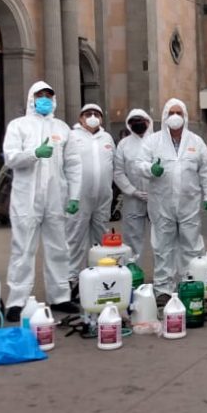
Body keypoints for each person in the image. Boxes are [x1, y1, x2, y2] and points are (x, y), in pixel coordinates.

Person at [2, 81, 82, 320]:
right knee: (23, 249)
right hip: (26, 198)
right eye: (40, 95)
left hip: (56, 197)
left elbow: (74, 164)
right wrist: (34, 154)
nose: (45, 99)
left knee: (59, 247)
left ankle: (60, 296)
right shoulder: (19, 126)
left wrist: (74, 196)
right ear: (32, 98)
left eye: (49, 95)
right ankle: (17, 301)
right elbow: (11, 158)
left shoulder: (63, 128)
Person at [138, 97, 207, 301]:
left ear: (185, 117)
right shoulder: (153, 141)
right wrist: (150, 169)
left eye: (178, 113)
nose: (175, 117)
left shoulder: (196, 142)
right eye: (171, 113)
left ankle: (190, 284)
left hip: (189, 203)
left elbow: (206, 171)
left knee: (192, 246)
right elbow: (139, 164)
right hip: (161, 203)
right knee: (163, 248)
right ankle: (163, 289)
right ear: (164, 117)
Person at [65, 103, 115, 287]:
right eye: (88, 114)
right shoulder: (72, 136)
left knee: (101, 238)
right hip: (79, 198)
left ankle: (99, 275)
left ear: (101, 119)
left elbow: (113, 165)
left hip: (102, 197)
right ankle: (72, 279)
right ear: (80, 118)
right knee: (75, 238)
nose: (92, 117)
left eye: (96, 114)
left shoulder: (107, 138)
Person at [113, 108, 153, 263]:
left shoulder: (158, 141)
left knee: (163, 238)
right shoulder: (124, 144)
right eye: (133, 121)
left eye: (140, 121)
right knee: (132, 238)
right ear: (128, 124)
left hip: (157, 198)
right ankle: (134, 275)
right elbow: (118, 172)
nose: (138, 124)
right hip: (133, 199)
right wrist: (132, 191)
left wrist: (156, 191)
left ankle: (164, 277)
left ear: (148, 122)